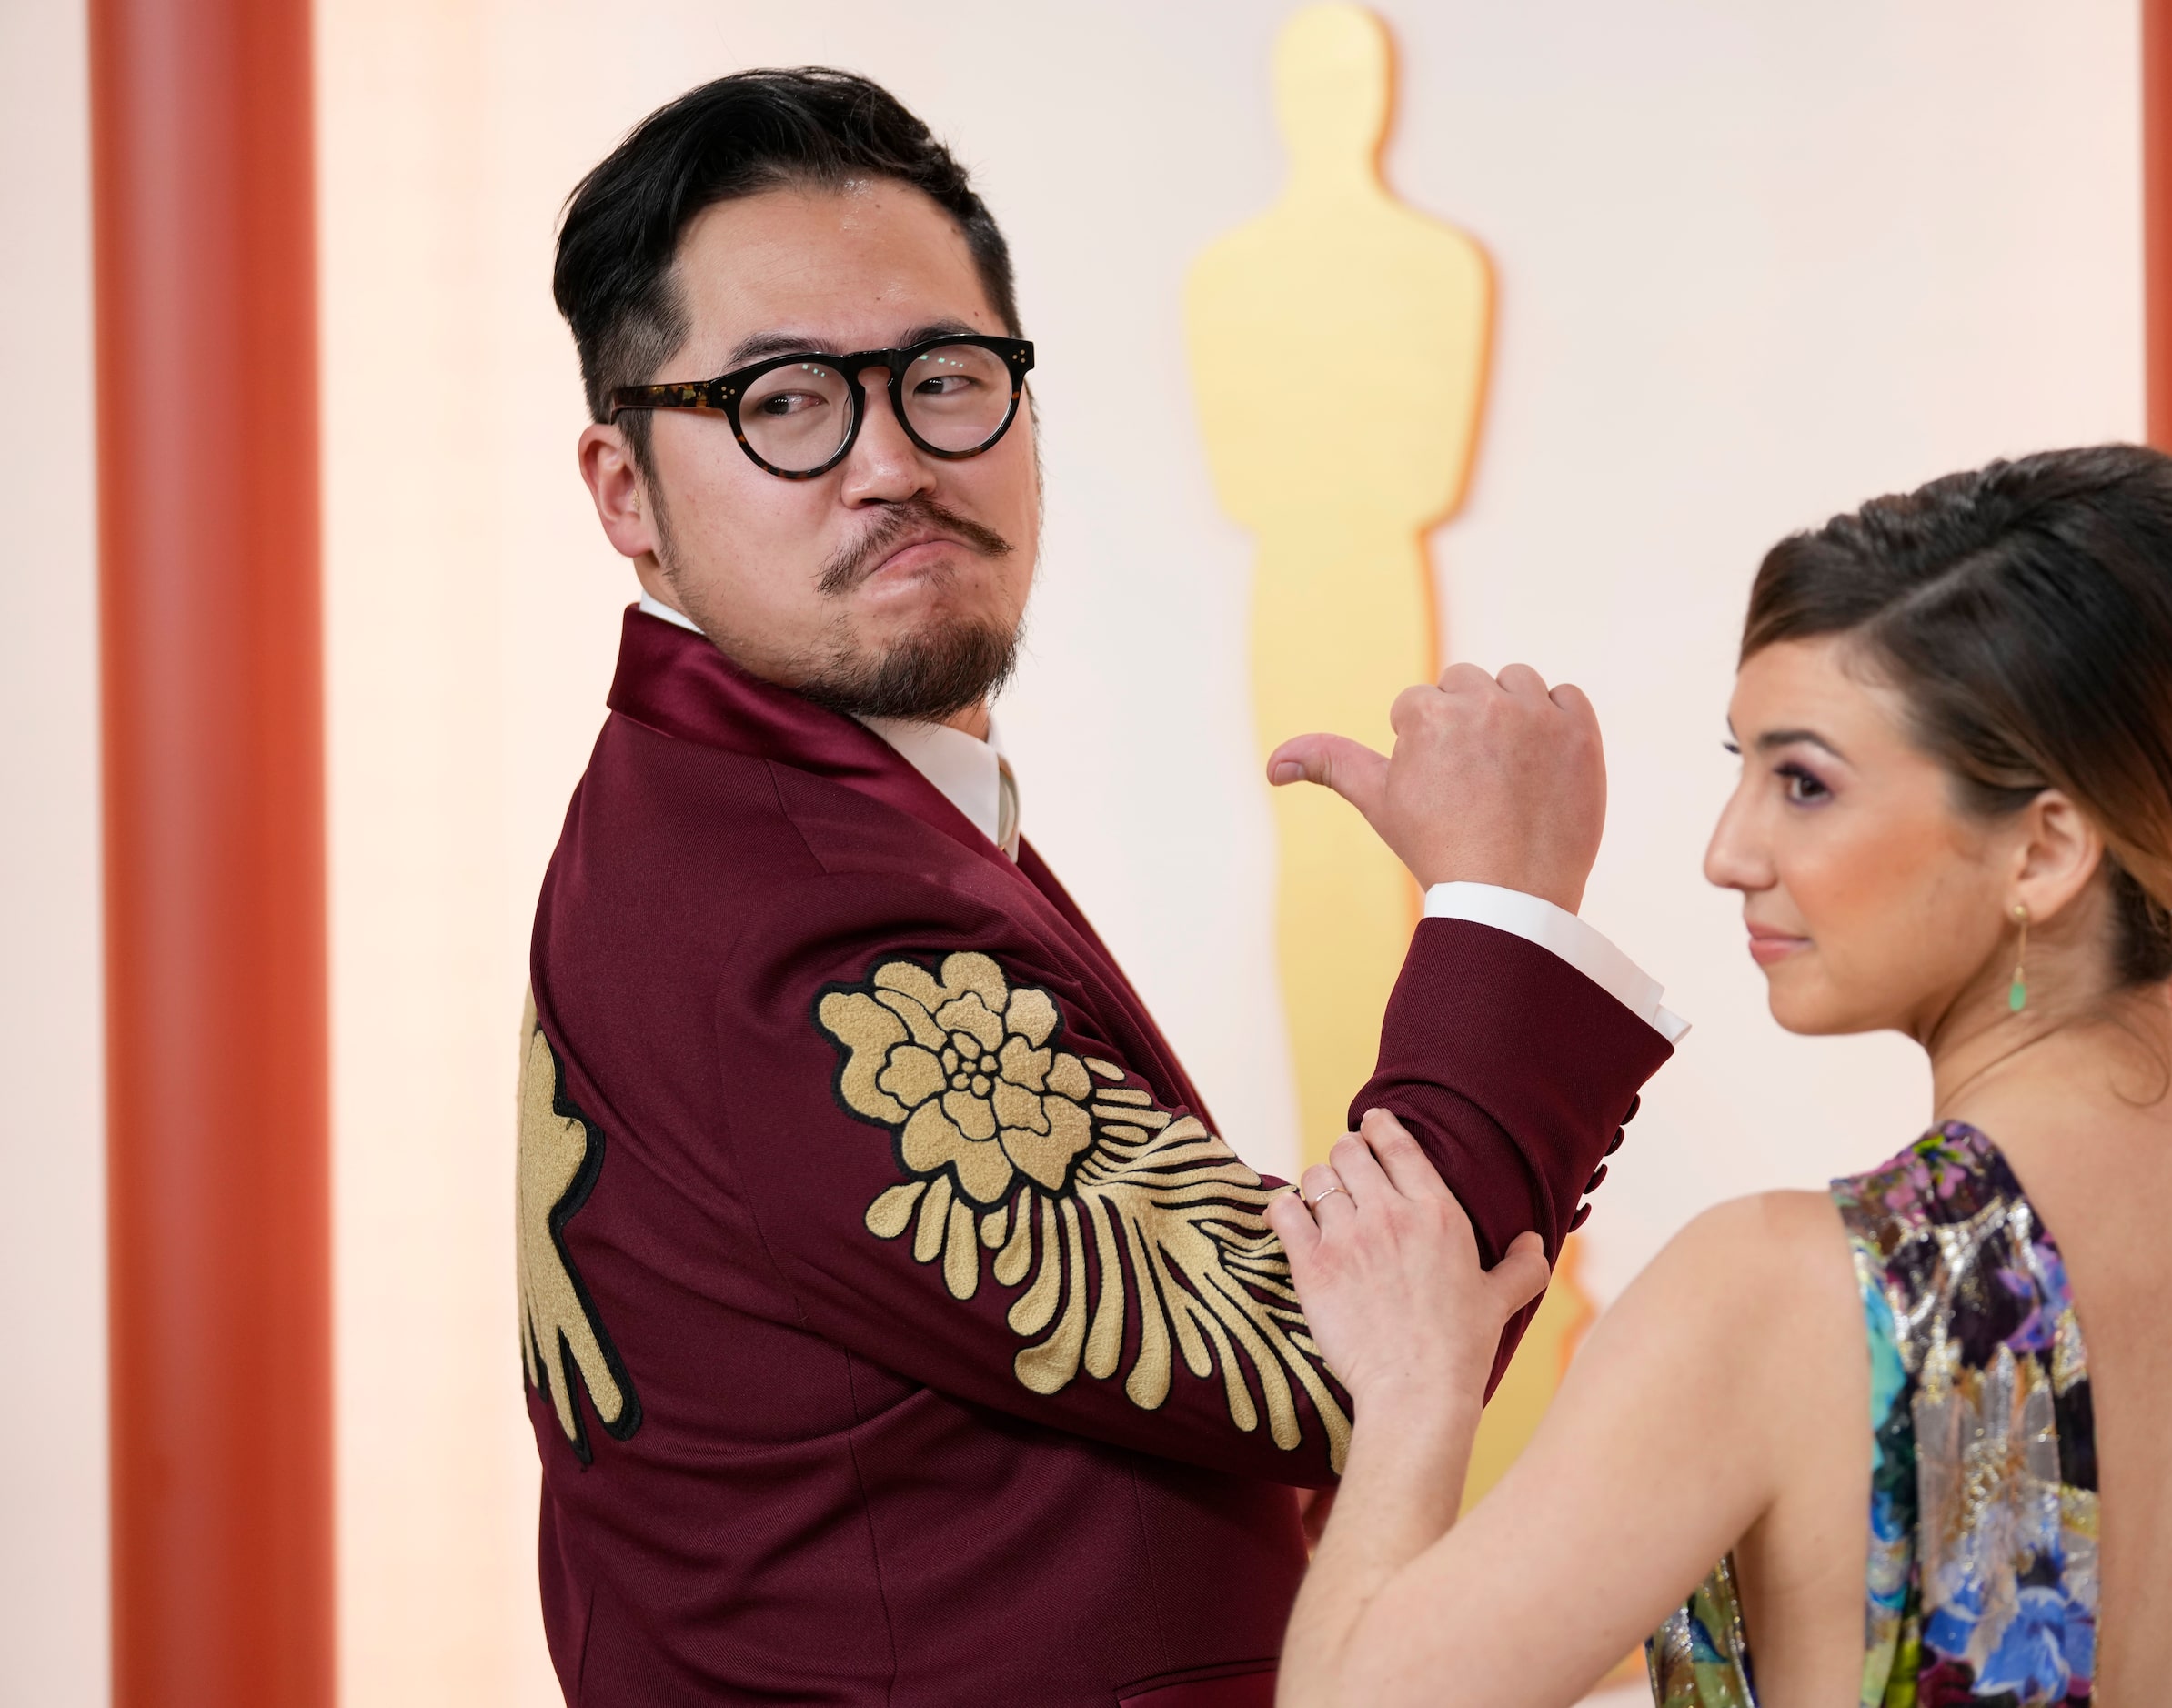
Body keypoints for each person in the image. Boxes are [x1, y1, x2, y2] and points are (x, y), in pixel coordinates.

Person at [517, 66, 1684, 1707]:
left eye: (942, 376)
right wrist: (1504, 902)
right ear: (625, 491)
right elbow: (1333, 1357)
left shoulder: (784, 802)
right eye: (785, 401)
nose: (892, 462)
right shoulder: (797, 911)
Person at [1263, 446, 2172, 1706]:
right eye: (1742, 769)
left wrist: (1414, 1395)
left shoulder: (1780, 1294)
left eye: (1803, 782)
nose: (1728, 851)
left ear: (2042, 848)